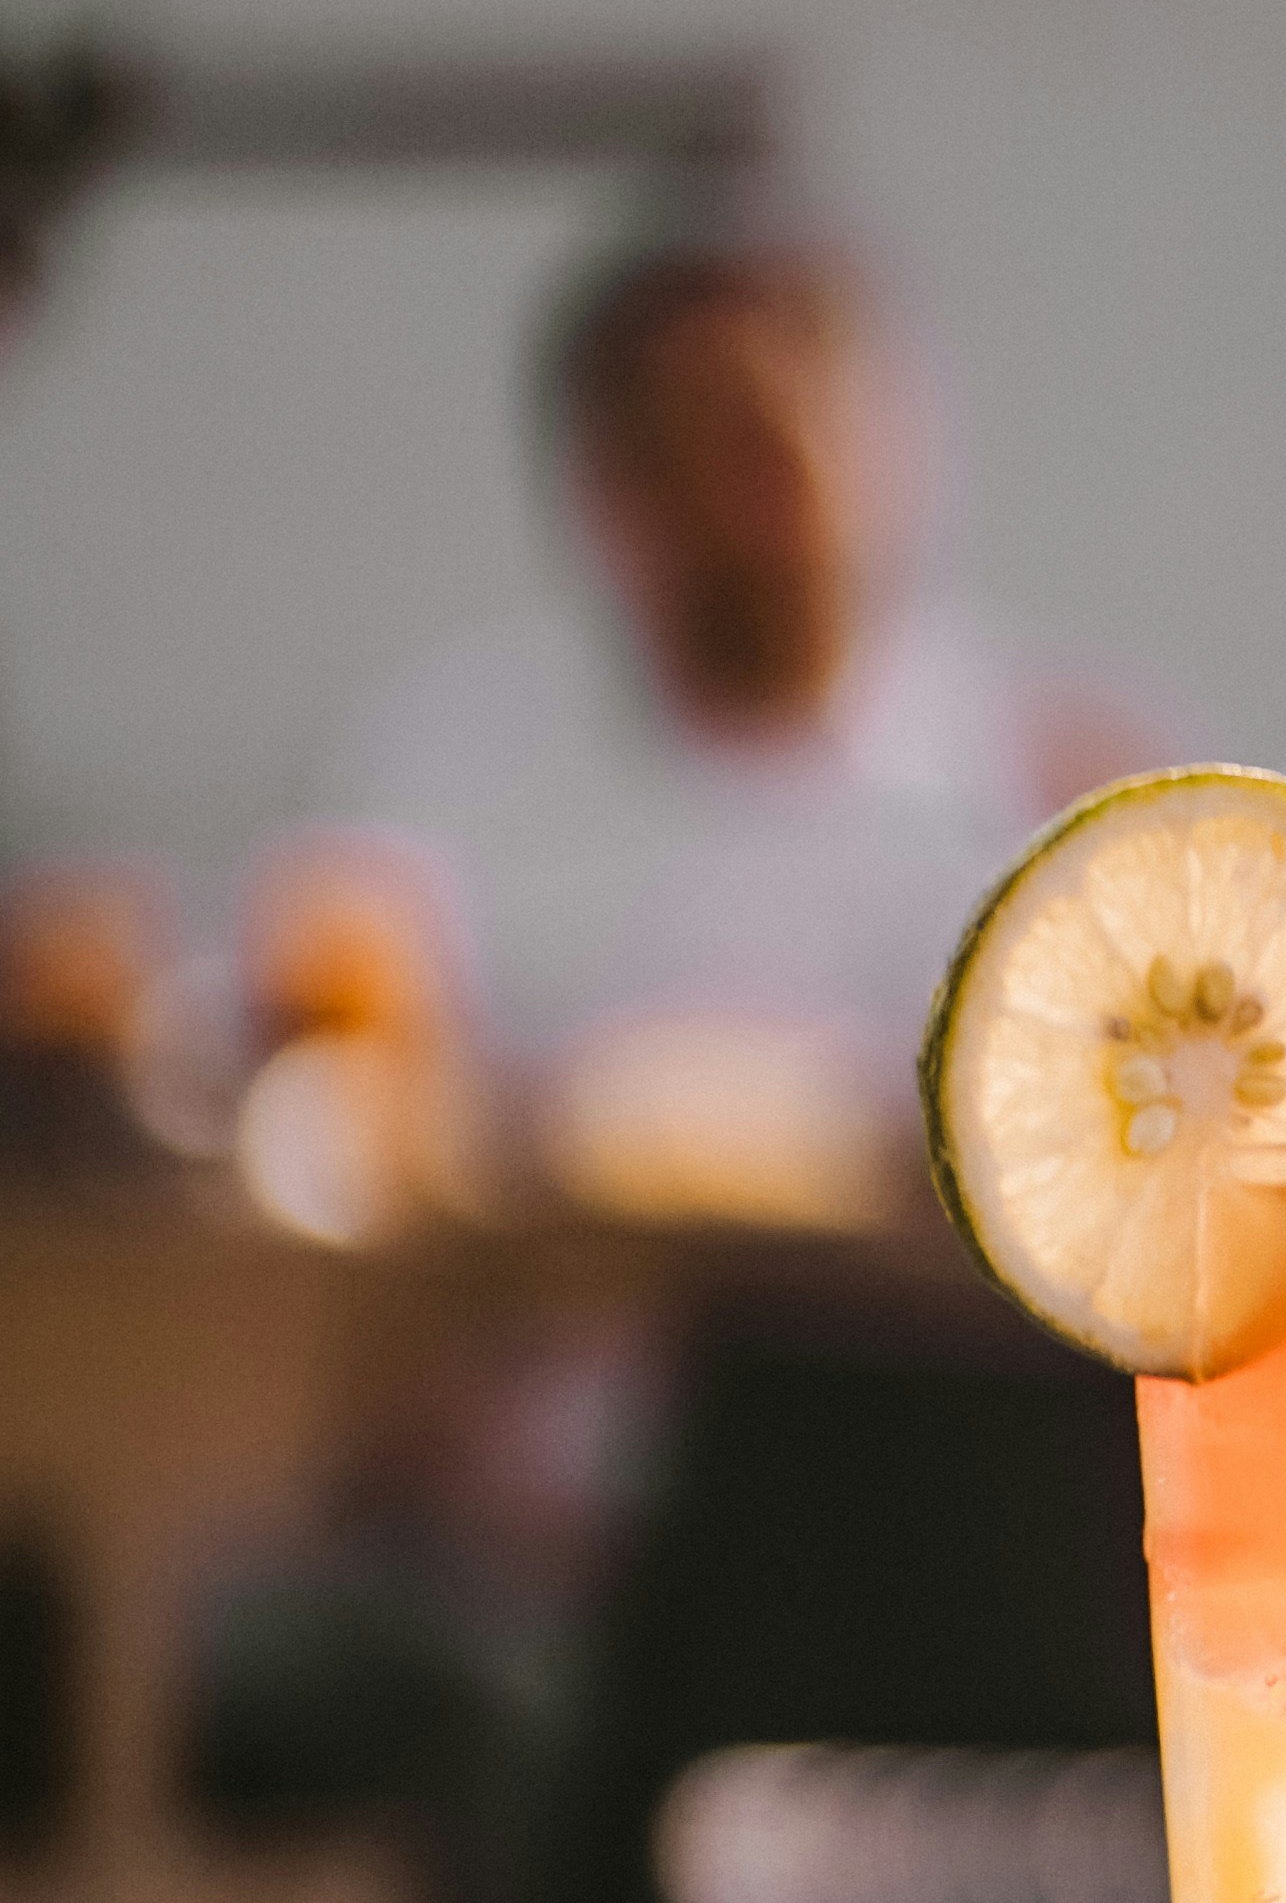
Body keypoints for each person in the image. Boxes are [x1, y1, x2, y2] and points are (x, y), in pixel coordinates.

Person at [277, 229, 1149, 1198]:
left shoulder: (1064, 785)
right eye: (713, 448)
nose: (781, 501)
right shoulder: (438, 778)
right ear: (613, 484)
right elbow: (330, 1118)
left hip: (934, 1341)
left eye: (805, 435)